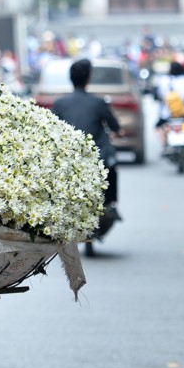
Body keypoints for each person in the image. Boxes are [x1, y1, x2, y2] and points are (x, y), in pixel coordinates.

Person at [51, 58, 123, 257]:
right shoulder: (98, 102)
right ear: (89, 78)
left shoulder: (60, 104)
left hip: (70, 160)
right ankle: (112, 204)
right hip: (97, 158)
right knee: (112, 170)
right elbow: (114, 126)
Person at [155, 60, 184, 155]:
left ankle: (164, 144)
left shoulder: (163, 80)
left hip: (167, 114)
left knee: (158, 127)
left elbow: (159, 95)